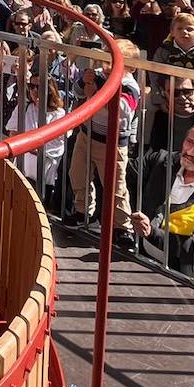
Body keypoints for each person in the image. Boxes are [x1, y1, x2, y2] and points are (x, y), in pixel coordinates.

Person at [129, 123, 194, 285]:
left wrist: (152, 234)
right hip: (136, 257)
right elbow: (121, 174)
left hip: (181, 279)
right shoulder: (161, 161)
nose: (190, 152)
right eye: (189, 142)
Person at [65, 50, 141, 250]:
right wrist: (84, 81)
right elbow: (78, 92)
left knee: (115, 186)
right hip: (87, 134)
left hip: (112, 142)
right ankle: (82, 211)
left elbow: (124, 109)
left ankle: (122, 227)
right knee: (78, 174)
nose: (108, 65)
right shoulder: (98, 73)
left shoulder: (130, 86)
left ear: (130, 67)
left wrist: (98, 91)